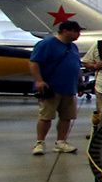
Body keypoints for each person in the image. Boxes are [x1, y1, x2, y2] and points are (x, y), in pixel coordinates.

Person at [28, 18, 83, 155]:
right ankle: (40, 142)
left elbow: (75, 65)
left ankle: (61, 142)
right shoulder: (46, 44)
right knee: (46, 116)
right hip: (51, 87)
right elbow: (34, 62)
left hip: (69, 88)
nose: (78, 35)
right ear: (65, 31)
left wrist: (80, 82)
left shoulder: (72, 47)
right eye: (76, 31)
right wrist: (39, 80)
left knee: (67, 116)